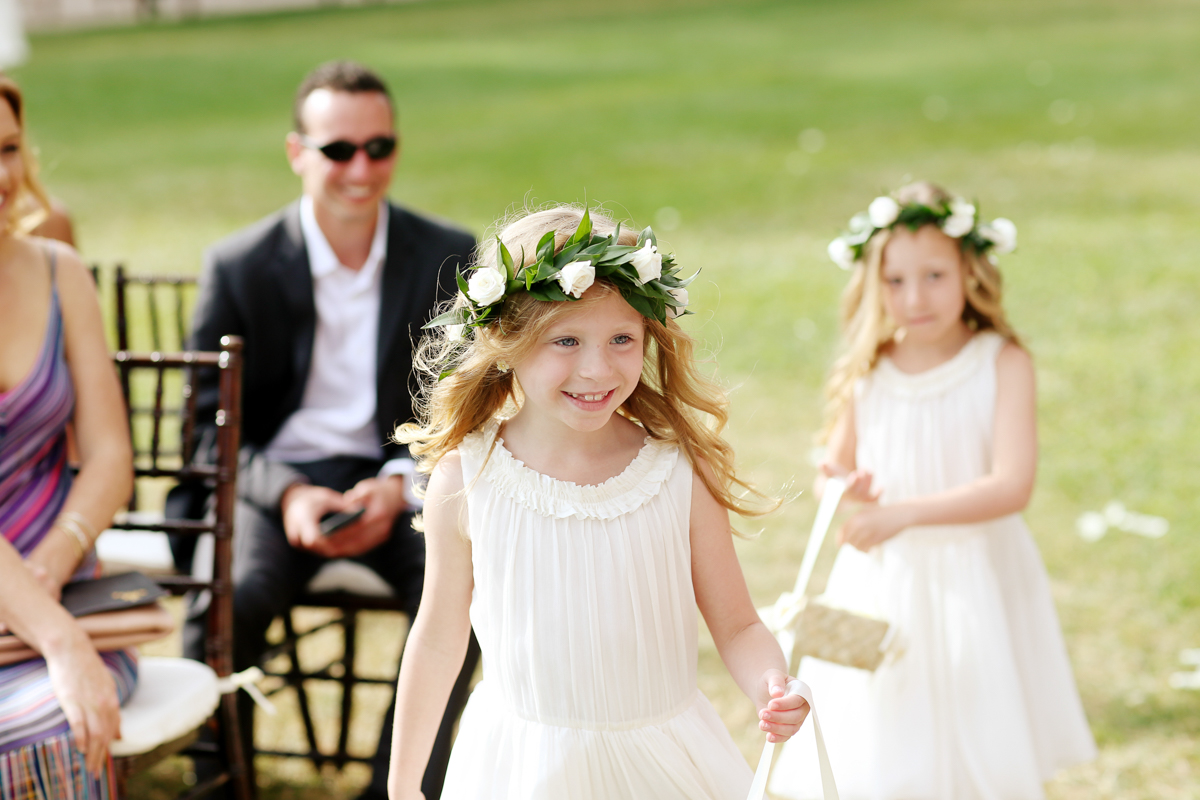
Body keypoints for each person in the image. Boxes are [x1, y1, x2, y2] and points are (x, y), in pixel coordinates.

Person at [386, 205, 811, 799]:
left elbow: (737, 625)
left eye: (621, 339)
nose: (597, 367)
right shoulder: (469, 479)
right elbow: (437, 640)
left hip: (662, 762)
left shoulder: (675, 474)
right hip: (523, 768)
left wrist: (771, 682)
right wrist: (403, 786)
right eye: (566, 340)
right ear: (505, 341)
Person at [174, 61, 478, 799]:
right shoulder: (240, 266)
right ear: (297, 153)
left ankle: (395, 790)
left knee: (465, 606)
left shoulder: (448, 255)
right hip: (276, 482)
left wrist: (400, 486)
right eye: (339, 149)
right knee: (233, 600)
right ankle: (222, 785)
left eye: (380, 147)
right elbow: (209, 431)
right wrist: (288, 497)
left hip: (399, 480)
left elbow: (467, 409)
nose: (361, 168)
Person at [770, 182, 1096, 799]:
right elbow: (829, 471)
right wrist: (846, 486)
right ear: (873, 283)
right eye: (895, 281)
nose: (914, 297)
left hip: (976, 567)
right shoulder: (871, 368)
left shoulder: (1000, 361)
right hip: (886, 575)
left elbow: (1011, 484)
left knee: (976, 705)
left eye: (934, 276)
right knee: (893, 714)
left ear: (970, 272)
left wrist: (903, 514)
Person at [0, 73, 136, 799]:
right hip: (50, 627)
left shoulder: (61, 274)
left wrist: (52, 564)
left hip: (71, 594)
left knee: (61, 718)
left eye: (10, 148)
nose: (2, 174)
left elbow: (112, 456)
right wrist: (55, 637)